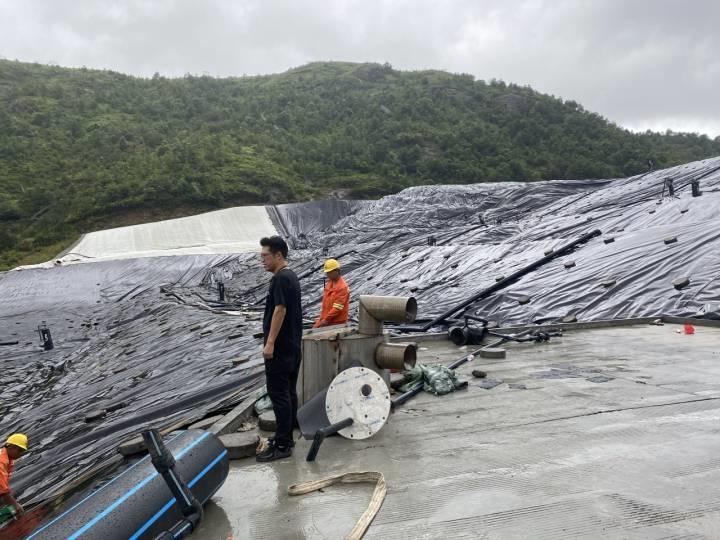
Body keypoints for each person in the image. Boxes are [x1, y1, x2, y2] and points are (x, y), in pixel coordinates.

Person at [257, 236, 302, 462]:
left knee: (279, 395)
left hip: (281, 349)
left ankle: (283, 444)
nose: (262, 260)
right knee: (289, 393)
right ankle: (287, 437)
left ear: (278, 255)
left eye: (265, 256)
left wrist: (270, 343)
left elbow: (280, 310)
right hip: (293, 347)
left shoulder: (280, 279)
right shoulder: (291, 276)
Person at [313, 259, 350, 328]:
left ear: (336, 271)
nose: (327, 275)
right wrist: (321, 318)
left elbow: (337, 308)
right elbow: (326, 303)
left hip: (336, 323)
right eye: (327, 273)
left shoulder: (342, 287)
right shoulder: (330, 282)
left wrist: (325, 320)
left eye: (329, 272)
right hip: (327, 318)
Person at [0, 433, 28, 517]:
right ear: (12, 446)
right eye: (20, 450)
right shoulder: (1, 461)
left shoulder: (8, 459)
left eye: (22, 451)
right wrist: (16, 506)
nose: (21, 453)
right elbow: (3, 490)